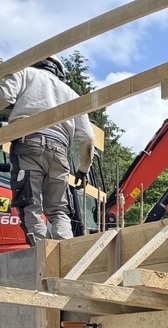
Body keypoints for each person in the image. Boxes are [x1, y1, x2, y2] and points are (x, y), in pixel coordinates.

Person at [0, 56, 94, 244]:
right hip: (60, 152)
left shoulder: (24, 73)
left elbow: (4, 97)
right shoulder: (72, 95)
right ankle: (66, 254)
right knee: (59, 210)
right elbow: (88, 137)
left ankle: (42, 256)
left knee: (30, 205)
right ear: (60, 72)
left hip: (29, 144)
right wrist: (83, 169)